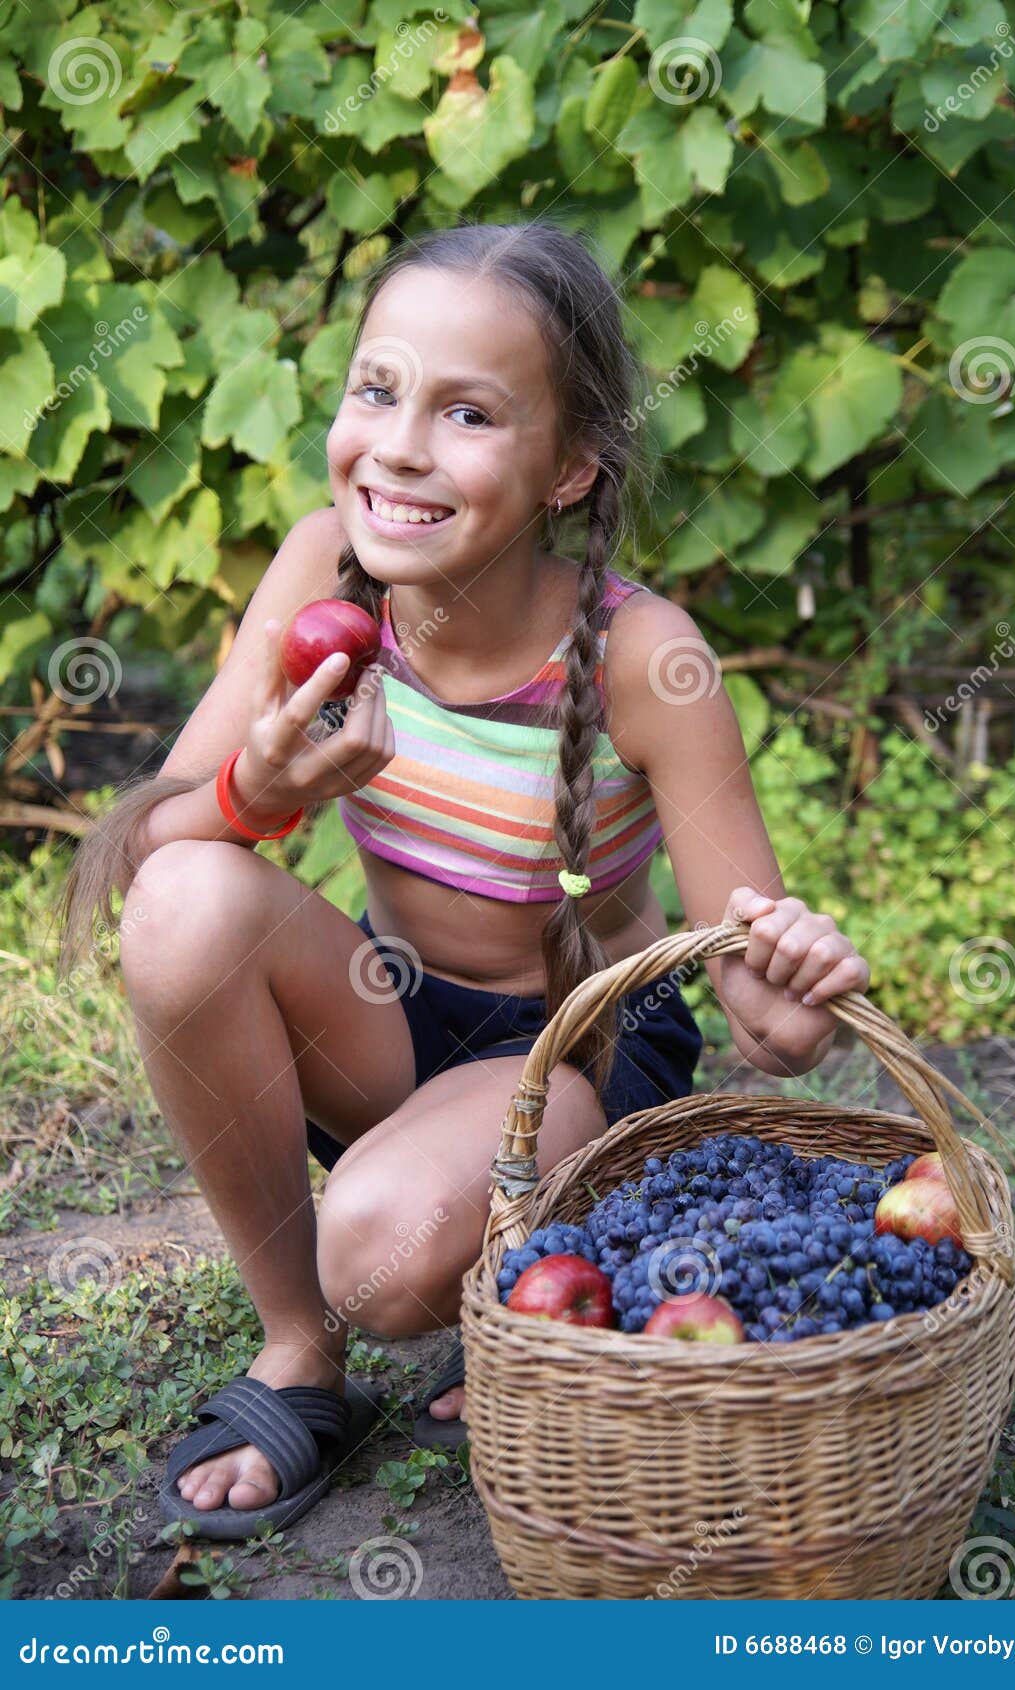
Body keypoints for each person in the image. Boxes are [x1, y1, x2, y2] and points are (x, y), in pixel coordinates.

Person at [56, 221, 870, 1537]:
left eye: (470, 412)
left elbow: (771, 1022)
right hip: (389, 1022)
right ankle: (296, 1355)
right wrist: (256, 799)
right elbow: (146, 851)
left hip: (577, 1058)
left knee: (377, 1254)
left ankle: (538, 1263)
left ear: (568, 469)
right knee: (187, 898)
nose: (400, 446)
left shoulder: (648, 662)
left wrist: (798, 982)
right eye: (377, 388)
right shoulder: (322, 567)